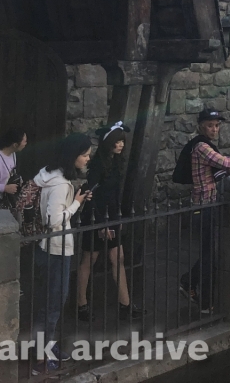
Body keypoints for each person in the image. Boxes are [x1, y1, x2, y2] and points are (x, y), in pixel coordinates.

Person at [177, 109, 230, 312]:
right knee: (209, 254)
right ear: (202, 126)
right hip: (204, 206)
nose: (215, 129)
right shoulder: (202, 146)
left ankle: (192, 286)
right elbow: (223, 161)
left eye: (217, 125)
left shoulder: (205, 146)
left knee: (210, 252)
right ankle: (202, 297)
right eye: (211, 125)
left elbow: (218, 167)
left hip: (209, 204)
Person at [31, 133, 93, 376]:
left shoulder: (48, 176)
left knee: (50, 301)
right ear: (73, 156)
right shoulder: (60, 184)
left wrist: (78, 200)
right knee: (53, 303)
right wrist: (76, 203)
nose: (88, 159)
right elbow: (55, 220)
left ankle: (45, 346)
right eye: (85, 154)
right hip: (56, 249)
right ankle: (40, 359)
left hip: (47, 247)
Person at [76, 122, 135, 322]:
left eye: (122, 141)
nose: (121, 145)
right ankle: (81, 304)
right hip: (97, 218)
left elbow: (114, 196)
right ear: (108, 143)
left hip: (111, 218)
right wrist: (102, 224)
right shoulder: (98, 167)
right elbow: (93, 197)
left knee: (118, 258)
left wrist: (116, 220)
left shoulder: (116, 163)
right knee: (89, 259)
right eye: (117, 141)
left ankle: (125, 304)